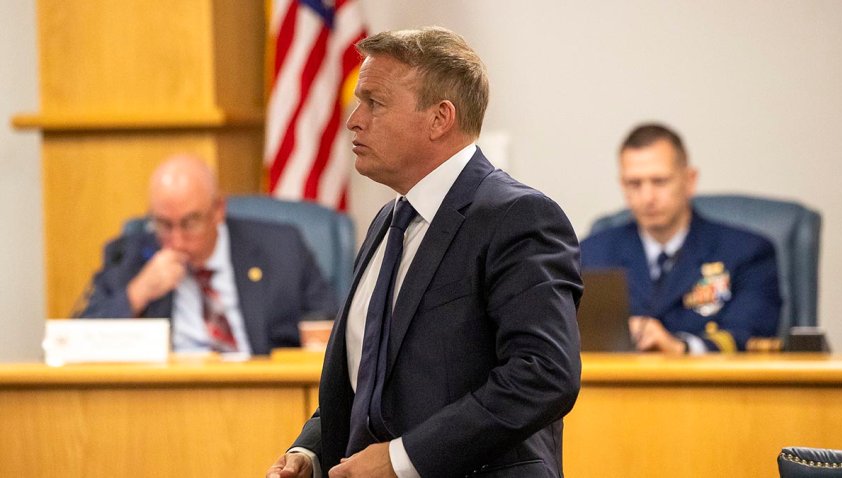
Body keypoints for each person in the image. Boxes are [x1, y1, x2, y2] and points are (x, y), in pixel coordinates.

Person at [266, 27, 582, 478]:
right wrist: (312, 451)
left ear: (439, 118)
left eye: (373, 102)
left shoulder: (518, 216)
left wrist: (401, 460)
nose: (354, 119)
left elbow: (544, 374)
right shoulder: (388, 221)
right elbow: (372, 379)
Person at [78, 154, 337, 354]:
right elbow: (77, 340)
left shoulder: (281, 248)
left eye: (190, 222)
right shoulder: (131, 256)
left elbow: (329, 323)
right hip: (167, 401)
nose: (176, 240)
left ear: (218, 210)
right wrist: (138, 293)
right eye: (164, 224)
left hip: (263, 396)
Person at [580, 123, 781, 354]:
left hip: (711, 386)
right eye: (634, 184)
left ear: (689, 180)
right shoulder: (592, 255)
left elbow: (752, 333)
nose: (647, 197)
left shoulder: (746, 252)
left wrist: (682, 347)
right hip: (620, 386)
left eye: (660, 181)